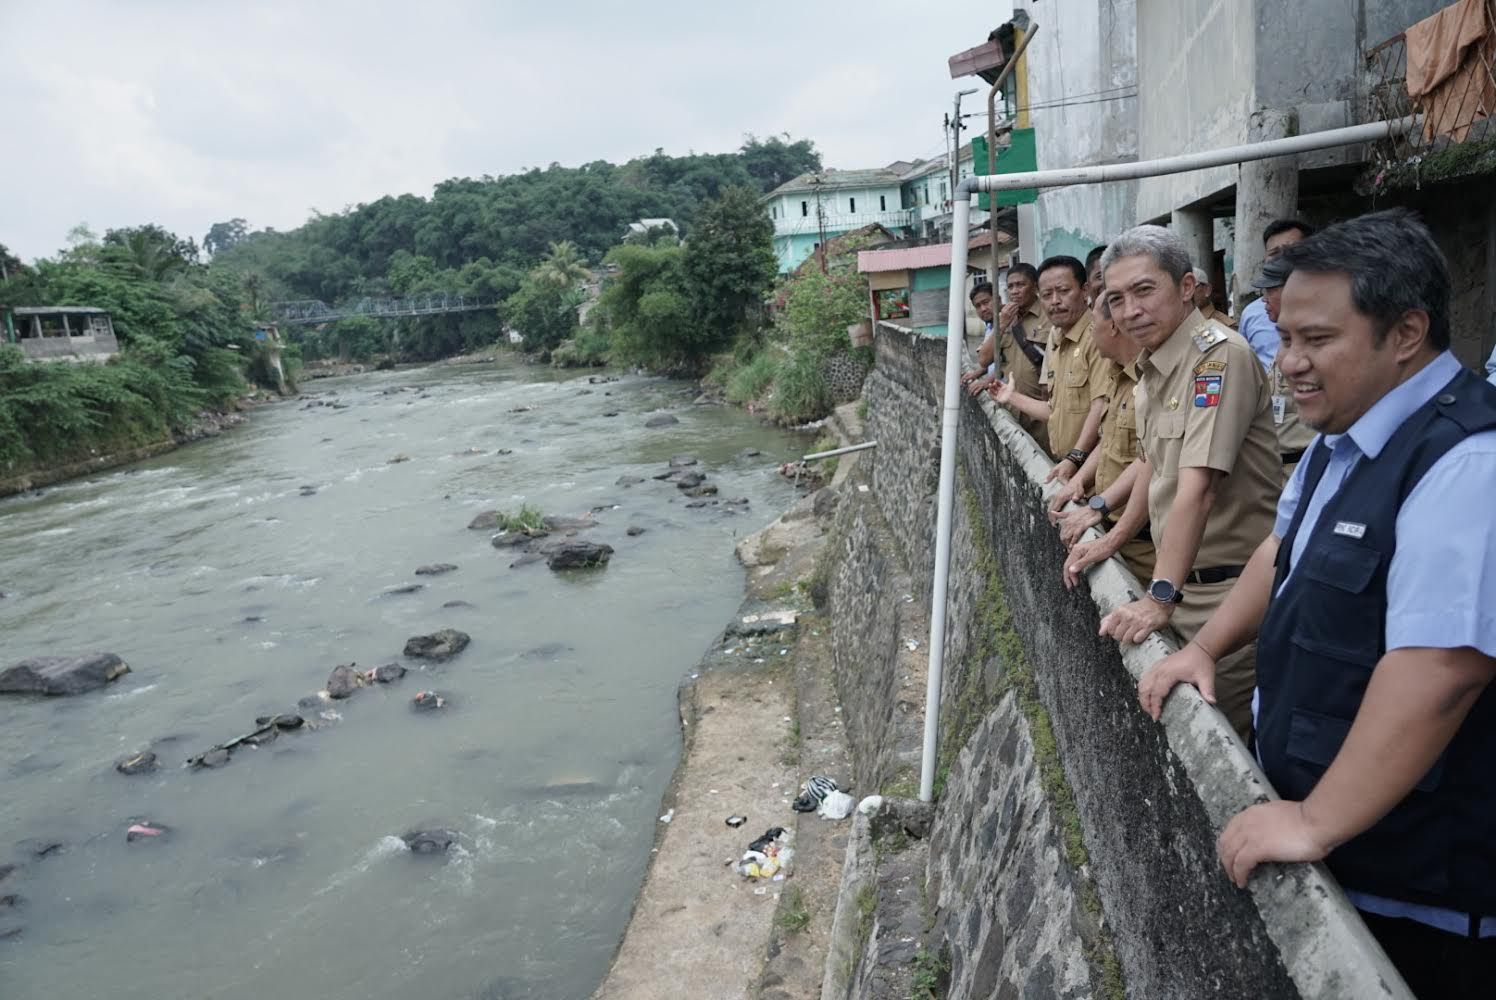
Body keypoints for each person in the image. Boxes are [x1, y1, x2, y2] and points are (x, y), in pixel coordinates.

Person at [1135, 209, 1496, 999]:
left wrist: (1316, 820)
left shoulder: (1467, 463)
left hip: (1420, 885)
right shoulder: (1343, 438)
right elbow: (1280, 555)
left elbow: (1441, 671)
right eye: (1283, 337)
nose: (1288, 364)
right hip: (1346, 848)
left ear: (1406, 333)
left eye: (1315, 341)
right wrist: (1203, 648)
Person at [1065, 224, 1281, 739]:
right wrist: (1110, 531)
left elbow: (1198, 487)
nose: (1130, 310)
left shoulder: (1217, 358)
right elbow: (1151, 465)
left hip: (1226, 593)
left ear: (1186, 288)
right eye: (1115, 299)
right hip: (1186, 585)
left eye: (1144, 290)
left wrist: (1159, 597)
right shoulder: (1153, 369)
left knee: (1225, 740)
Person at [1049, 295, 1156, 583]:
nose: (1090, 332)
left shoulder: (1152, 381)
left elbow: (1150, 460)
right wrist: (1078, 479)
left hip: (1143, 539)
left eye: (1093, 323)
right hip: (1113, 525)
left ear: (1112, 327)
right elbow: (1108, 441)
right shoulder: (1117, 374)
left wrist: (1100, 506)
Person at [989, 256, 1110, 481]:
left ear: (1084, 291)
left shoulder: (1097, 335)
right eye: (1046, 295)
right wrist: (1011, 396)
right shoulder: (1056, 336)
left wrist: (1075, 457)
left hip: (1094, 470)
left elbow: (1101, 405)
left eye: (1063, 291)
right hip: (1068, 467)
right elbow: (1054, 411)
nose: (1054, 301)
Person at [1249, 257, 1318, 474]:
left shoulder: (1317, 342)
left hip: (1307, 464)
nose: (1263, 299)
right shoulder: (1283, 342)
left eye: (1270, 290)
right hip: (1279, 468)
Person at [1238, 219, 1315, 371]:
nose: (1282, 258)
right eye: (1274, 253)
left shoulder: (1332, 310)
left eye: (1290, 251)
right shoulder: (1252, 314)